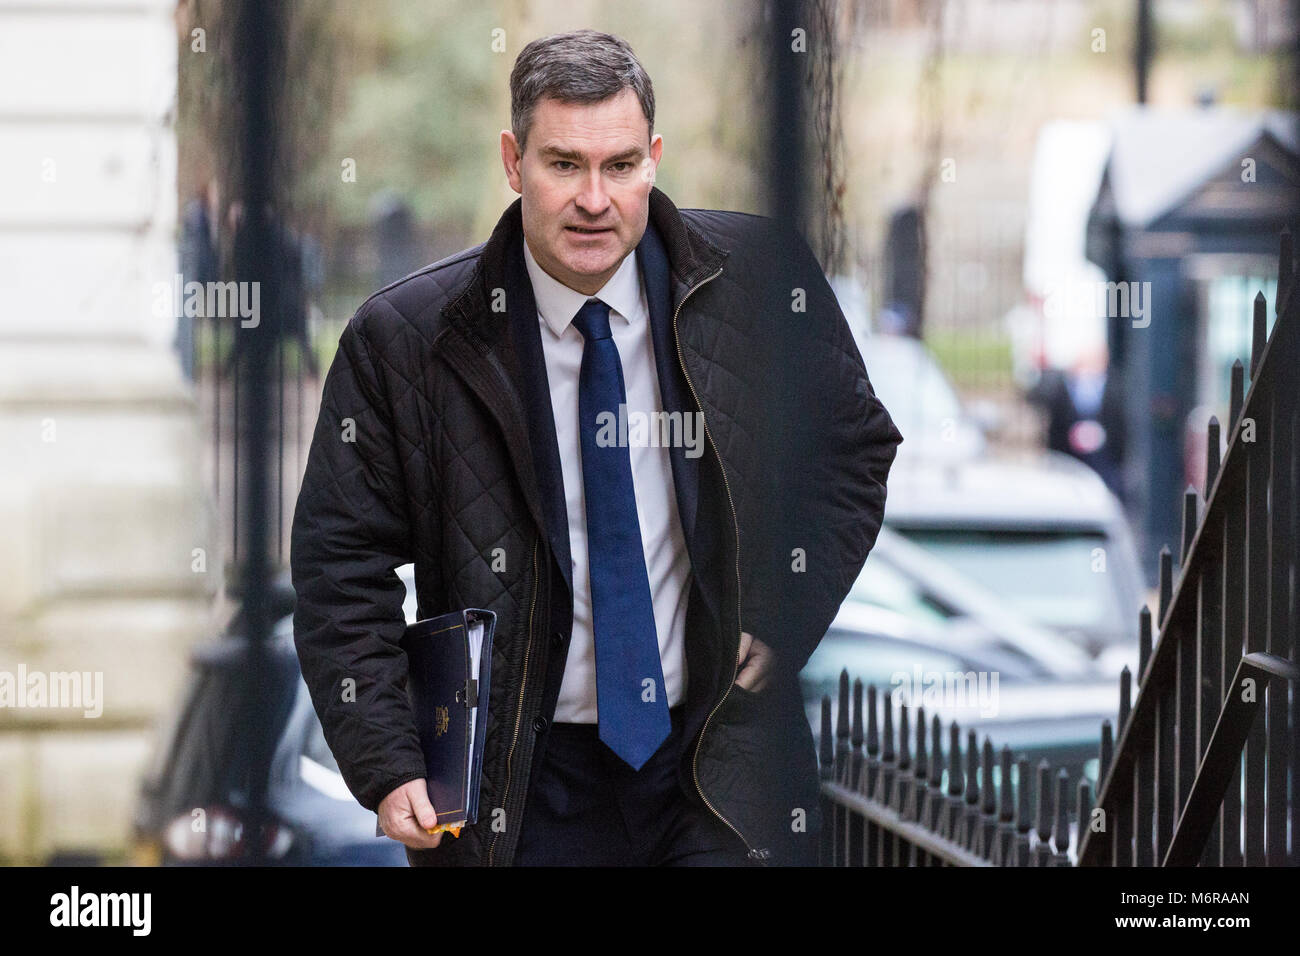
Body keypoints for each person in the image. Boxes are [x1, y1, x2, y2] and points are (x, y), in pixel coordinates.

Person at [290, 29, 902, 867]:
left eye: (619, 166)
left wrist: (782, 609)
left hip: (715, 769)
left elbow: (851, 450)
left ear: (653, 158)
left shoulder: (757, 282)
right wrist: (389, 757)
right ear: (513, 162)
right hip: (521, 788)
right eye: (563, 164)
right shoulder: (405, 341)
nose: (594, 198)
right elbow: (338, 563)